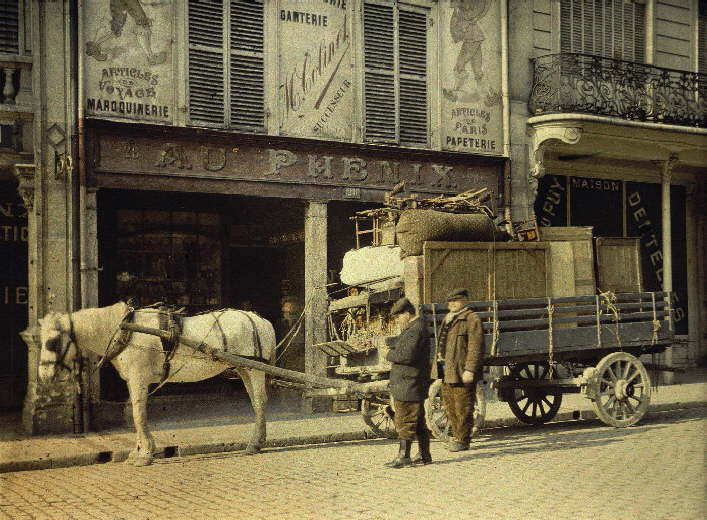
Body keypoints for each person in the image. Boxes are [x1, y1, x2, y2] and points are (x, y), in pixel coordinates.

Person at [431, 288, 484, 452]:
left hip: (462, 370)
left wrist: (470, 369)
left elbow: (476, 347)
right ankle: (456, 436)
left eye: (456, 300)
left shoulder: (471, 319)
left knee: (463, 406)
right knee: (450, 405)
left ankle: (463, 439)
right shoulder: (449, 319)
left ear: (465, 301)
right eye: (450, 301)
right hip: (448, 370)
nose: (452, 304)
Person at [384, 297, 433, 468]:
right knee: (418, 419)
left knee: (404, 418)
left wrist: (389, 354)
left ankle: (404, 456)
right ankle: (425, 455)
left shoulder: (415, 329)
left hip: (409, 382)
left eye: (398, 317)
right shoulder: (414, 327)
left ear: (407, 313)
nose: (397, 321)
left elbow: (406, 355)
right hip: (409, 382)